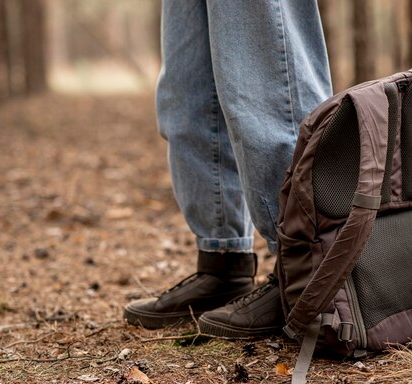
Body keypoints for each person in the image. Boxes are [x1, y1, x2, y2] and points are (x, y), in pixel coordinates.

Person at [124, 0, 332, 337]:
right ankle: (222, 263)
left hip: (311, 260)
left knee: (267, 71)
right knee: (189, 95)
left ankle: (307, 268)